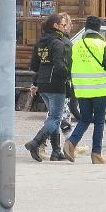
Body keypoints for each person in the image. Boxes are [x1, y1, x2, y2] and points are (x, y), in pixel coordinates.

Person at [63, 16, 106, 164]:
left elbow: (68, 66)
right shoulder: (103, 45)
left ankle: (70, 144)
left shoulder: (75, 45)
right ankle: (96, 154)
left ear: (85, 28)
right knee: (99, 121)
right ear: (99, 28)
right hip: (99, 89)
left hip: (81, 89)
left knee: (85, 119)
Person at [25, 13, 73, 162]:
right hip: (56, 84)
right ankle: (36, 142)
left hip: (42, 84)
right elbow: (60, 66)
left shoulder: (40, 42)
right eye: (62, 24)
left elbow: (34, 65)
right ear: (56, 26)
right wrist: (68, 75)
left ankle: (56, 151)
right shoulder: (58, 43)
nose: (64, 27)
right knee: (55, 118)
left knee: (53, 117)